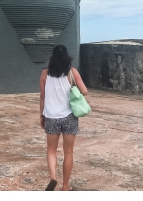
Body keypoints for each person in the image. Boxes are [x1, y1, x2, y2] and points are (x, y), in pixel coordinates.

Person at [40, 44, 88, 191]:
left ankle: (53, 177)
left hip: (51, 117)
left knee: (51, 149)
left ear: (52, 58)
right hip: (69, 117)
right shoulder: (72, 72)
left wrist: (42, 115)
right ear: (67, 57)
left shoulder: (44, 74)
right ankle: (65, 187)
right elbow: (84, 91)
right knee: (68, 152)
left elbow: (42, 97)